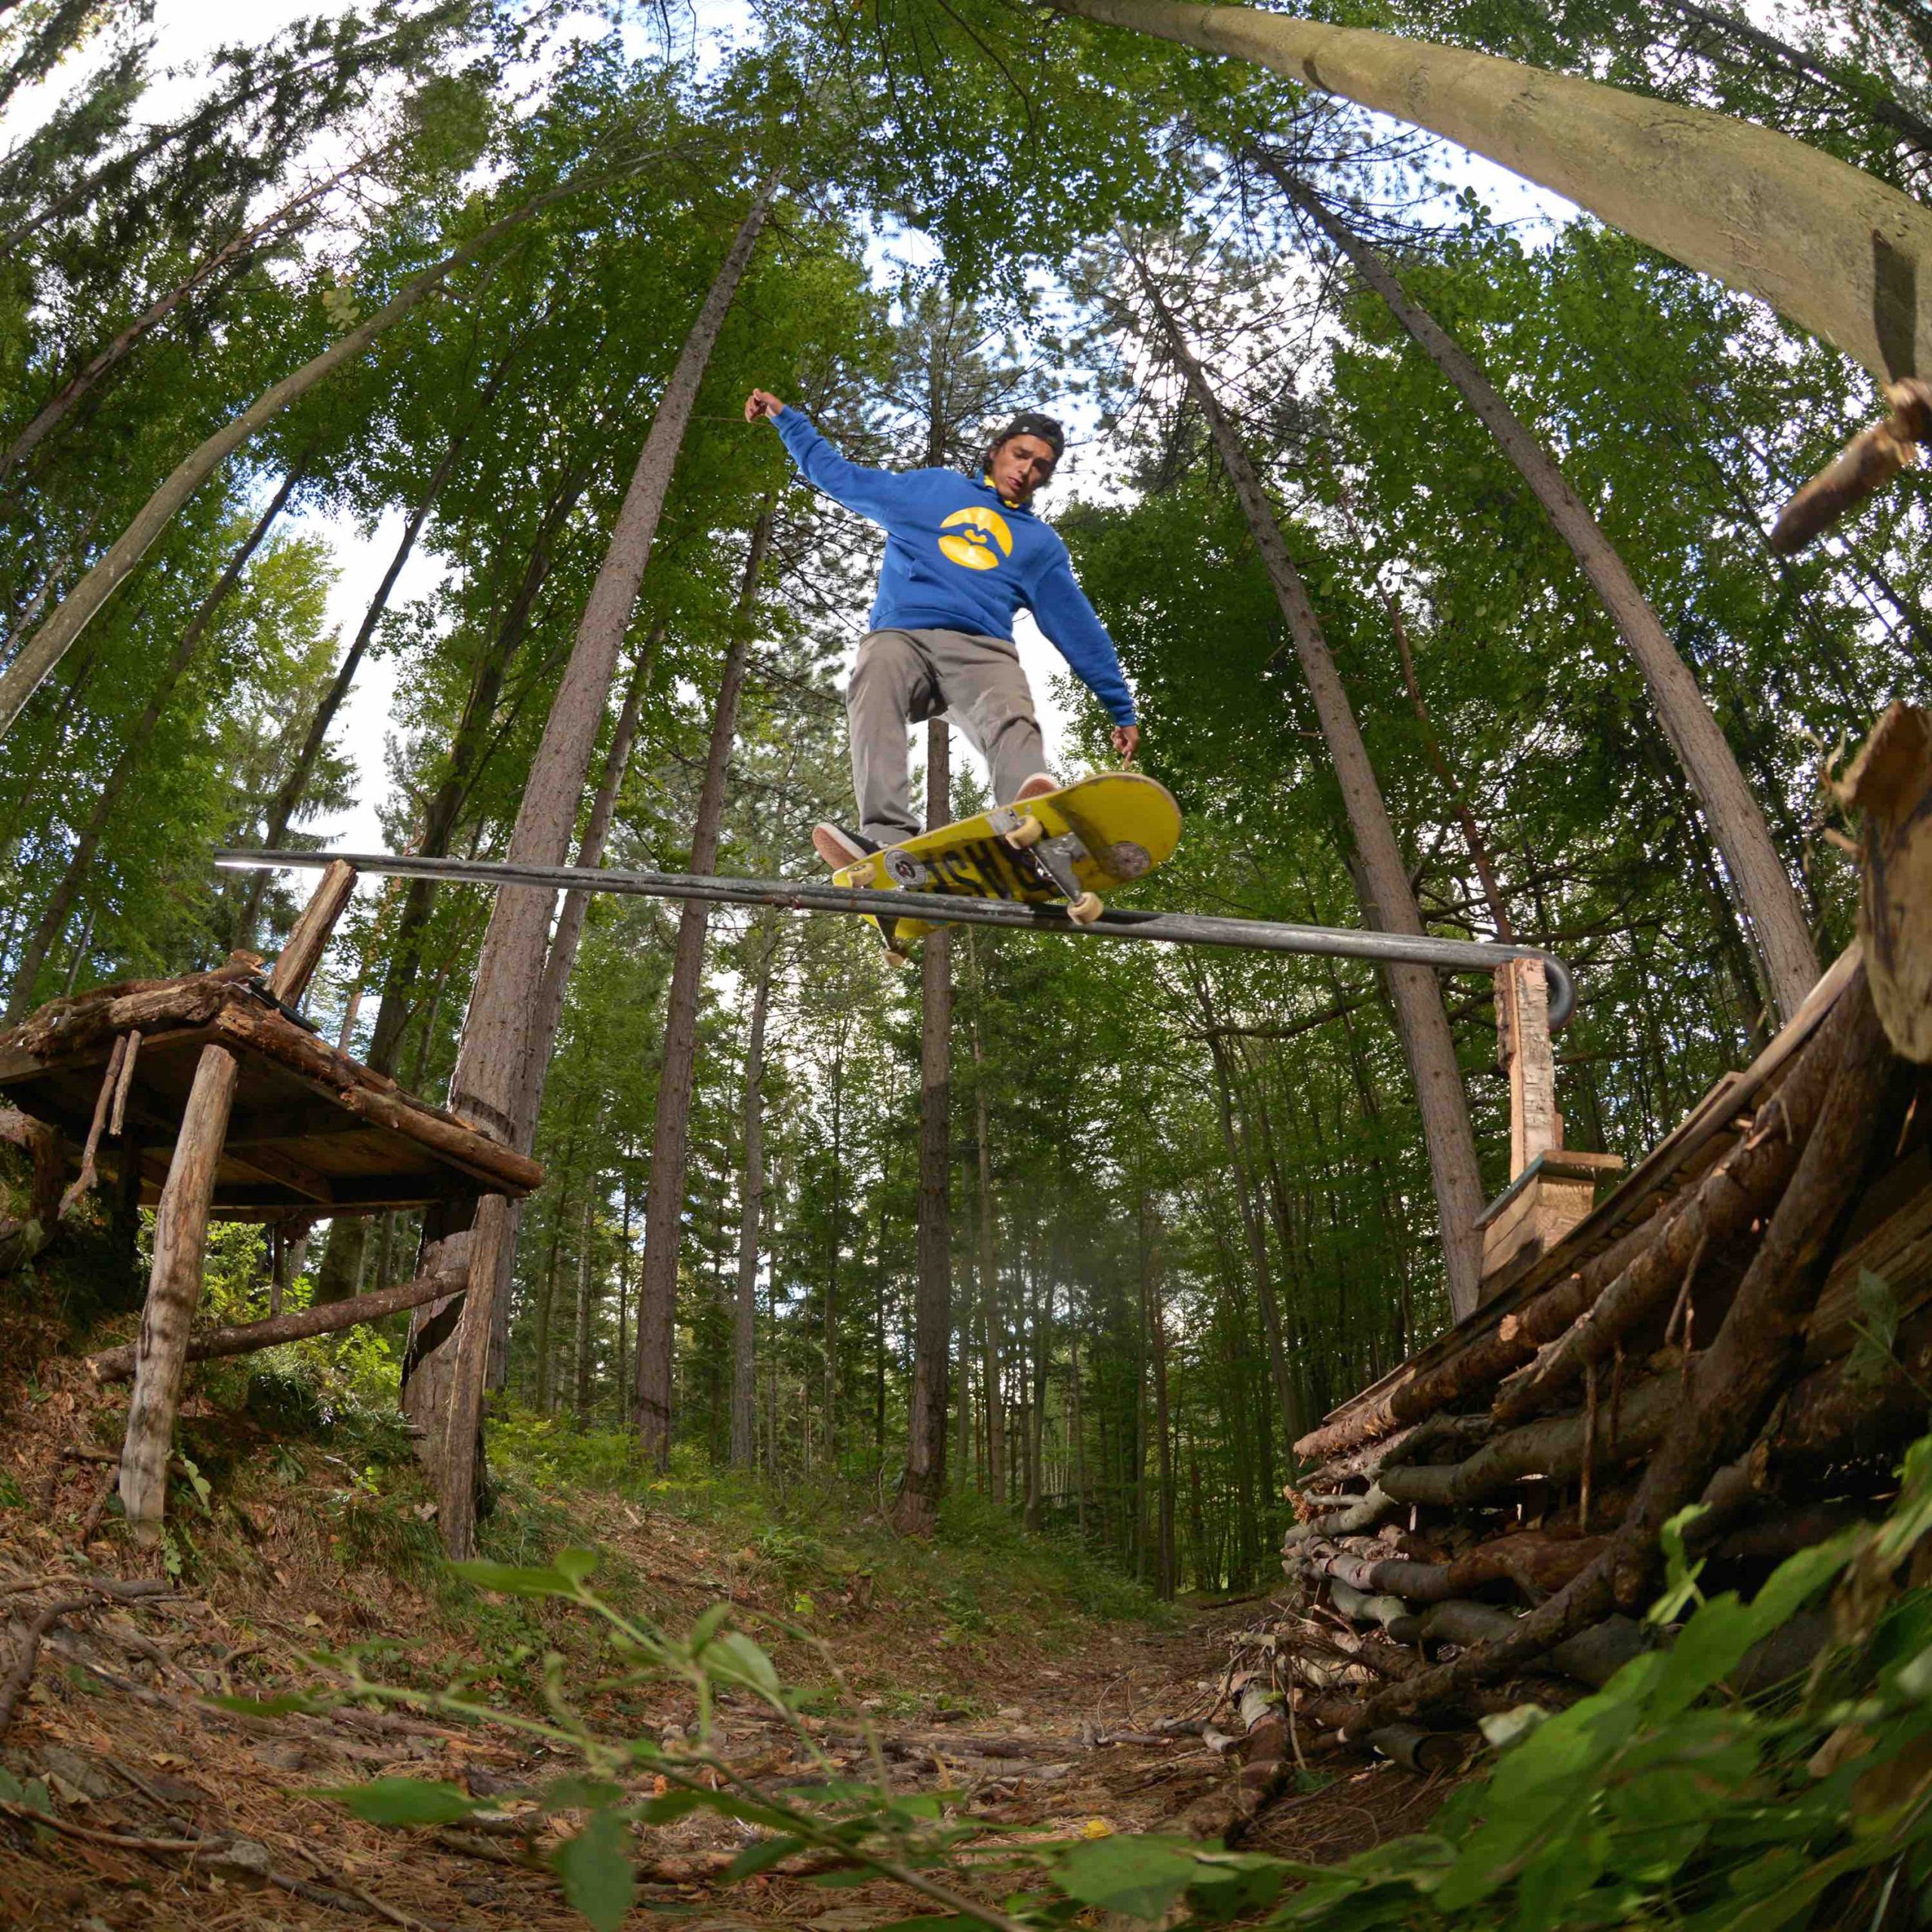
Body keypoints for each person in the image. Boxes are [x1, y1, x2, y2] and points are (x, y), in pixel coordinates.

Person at [745, 389, 1140, 867]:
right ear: (996, 451)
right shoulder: (932, 492)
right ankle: (886, 837)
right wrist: (788, 421)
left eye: (1039, 467)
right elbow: (840, 477)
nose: (1025, 471)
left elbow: (1078, 627)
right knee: (877, 666)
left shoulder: (1039, 545)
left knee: (1009, 708)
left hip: (980, 649)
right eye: (1020, 455)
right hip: (904, 638)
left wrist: (1119, 705)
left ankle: (1028, 822)